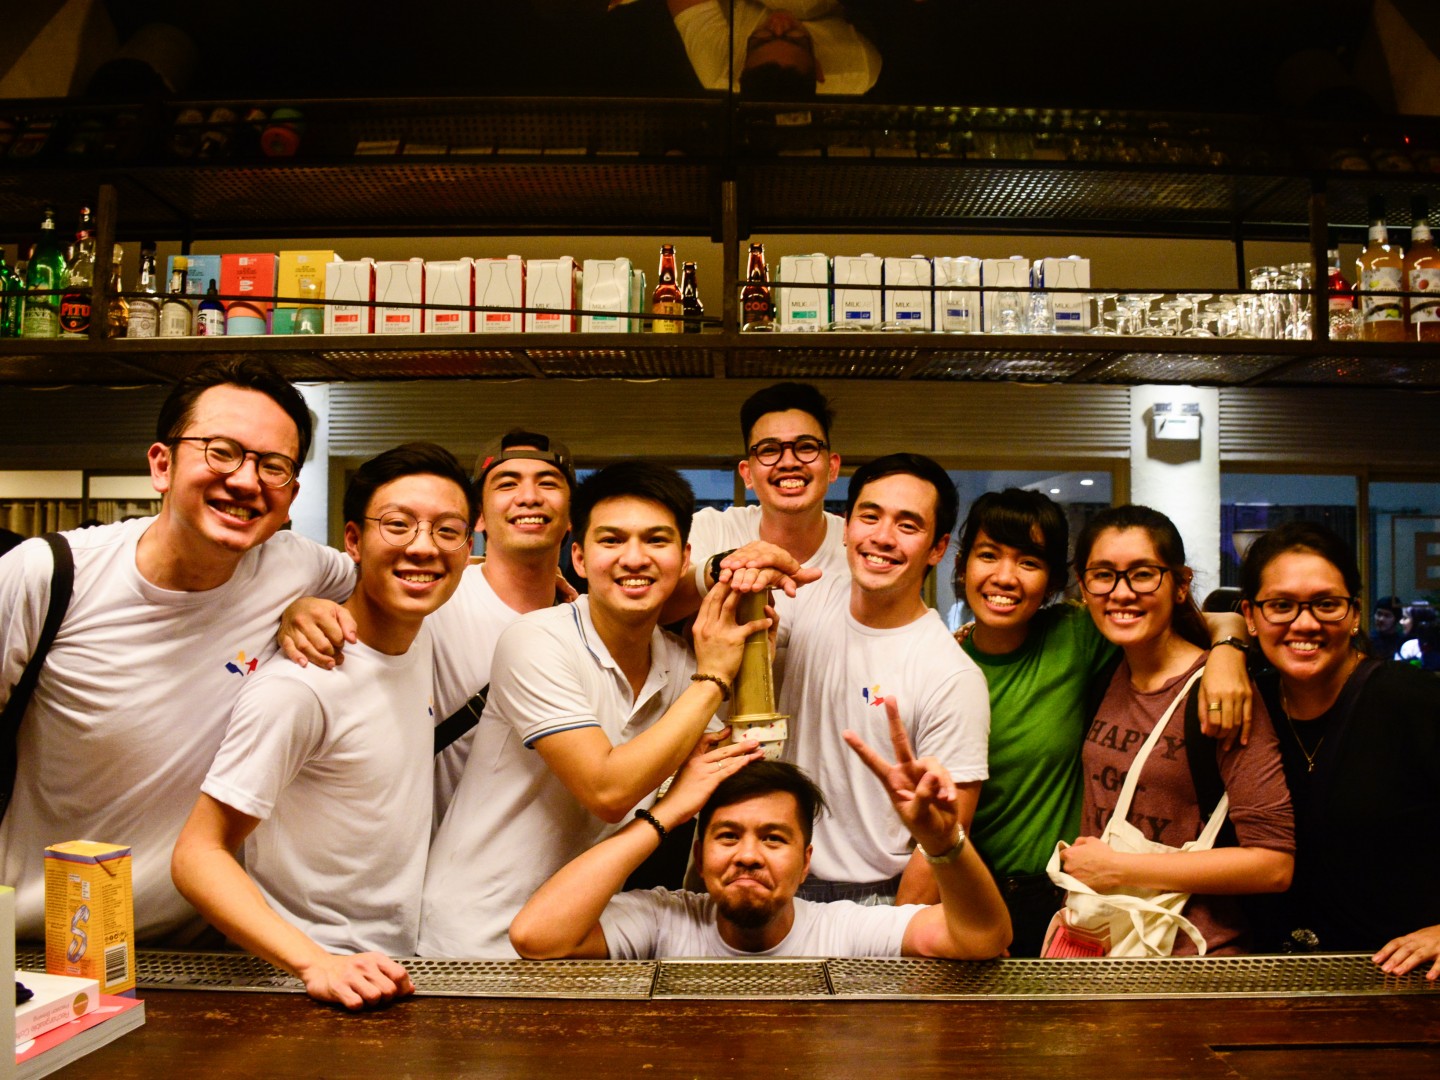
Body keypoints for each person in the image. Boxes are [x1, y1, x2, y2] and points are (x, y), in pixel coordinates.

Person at [0, 358, 356, 945]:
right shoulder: (49, 575)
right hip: (43, 941)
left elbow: (410, 580)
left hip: (208, 945)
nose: (246, 481)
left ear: (291, 495)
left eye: (273, 466)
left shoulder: (300, 567)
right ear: (162, 465)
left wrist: (305, 604)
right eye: (222, 451)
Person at [418, 461, 765, 958]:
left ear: (684, 557)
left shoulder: (680, 664)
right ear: (579, 557)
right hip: (472, 936)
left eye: (656, 540)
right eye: (612, 540)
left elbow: (733, 761)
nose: (634, 558)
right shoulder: (536, 640)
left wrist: (752, 645)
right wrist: (714, 678)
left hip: (578, 934)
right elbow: (607, 790)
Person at [172, 443, 474, 1010]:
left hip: (390, 968)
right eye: (398, 525)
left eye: (447, 530)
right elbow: (197, 855)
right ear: (353, 541)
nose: (423, 546)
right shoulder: (301, 686)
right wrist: (314, 963)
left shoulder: (418, 638)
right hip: (304, 982)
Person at [952, 489, 1254, 955]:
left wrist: (1229, 651)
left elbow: (1181, 616)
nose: (1005, 577)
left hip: (1064, 895)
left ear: (1055, 581)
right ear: (961, 565)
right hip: (968, 891)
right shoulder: (942, 664)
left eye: (1029, 562)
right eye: (988, 555)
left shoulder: (1076, 634)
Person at [509, 699, 1012, 961]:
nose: (748, 855)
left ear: (806, 861)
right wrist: (666, 814)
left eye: (773, 838)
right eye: (728, 836)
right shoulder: (664, 920)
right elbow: (536, 937)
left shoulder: (843, 929)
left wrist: (943, 842)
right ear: (700, 854)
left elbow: (982, 938)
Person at [279, 429, 577, 824]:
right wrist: (295, 607)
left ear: (571, 516)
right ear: (479, 518)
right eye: (507, 483)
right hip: (417, 845)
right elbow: (369, 573)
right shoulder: (429, 595)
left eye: (548, 483)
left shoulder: (584, 625)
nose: (529, 497)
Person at [1060, 504, 1294, 955]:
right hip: (1103, 939)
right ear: (1084, 587)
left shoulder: (1221, 692)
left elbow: (1273, 865)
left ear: (1181, 584)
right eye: (1103, 575)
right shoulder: (1104, 670)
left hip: (1192, 954)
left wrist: (1119, 869)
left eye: (1143, 574)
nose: (1121, 593)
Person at [778, 453, 989, 906]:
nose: (883, 537)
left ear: (937, 548)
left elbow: (944, 839)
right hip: (776, 879)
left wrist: (895, 932)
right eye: (870, 516)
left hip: (873, 897)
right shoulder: (805, 597)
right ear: (845, 526)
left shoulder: (951, 675)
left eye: (907, 525)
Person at [1239, 522, 1440, 978]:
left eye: (1326, 604)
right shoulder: (1248, 705)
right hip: (1268, 981)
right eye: (1281, 605)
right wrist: (1225, 649)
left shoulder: (1415, 702)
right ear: (1251, 615)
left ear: (1354, 613)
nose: (1305, 623)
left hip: (1402, 981)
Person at [661, 381, 841, 654]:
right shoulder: (712, 528)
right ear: (747, 474)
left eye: (806, 447)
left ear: (832, 467)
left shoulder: (857, 546)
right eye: (769, 450)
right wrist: (725, 567)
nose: (789, 462)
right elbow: (657, 607)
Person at [666, 0, 881, 98]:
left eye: (761, 38)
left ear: (741, 69)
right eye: (794, 38)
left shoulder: (720, 71)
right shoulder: (858, 67)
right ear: (818, 69)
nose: (778, 23)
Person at [1369, 595, 1405, 659]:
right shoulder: (1368, 640)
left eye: (1387, 615)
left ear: (1396, 619)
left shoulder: (1402, 643)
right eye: (1379, 614)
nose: (1381, 619)